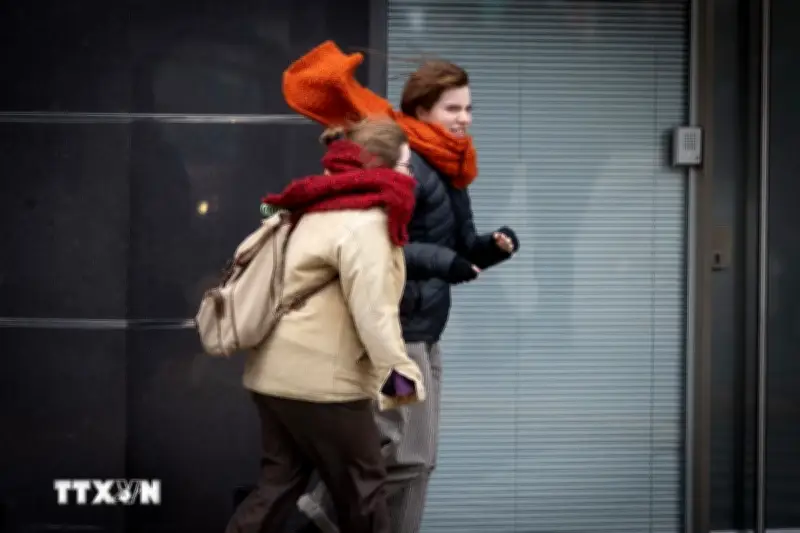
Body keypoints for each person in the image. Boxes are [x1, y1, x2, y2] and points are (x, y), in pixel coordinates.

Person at [282, 42, 520, 533]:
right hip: (397, 336)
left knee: (420, 461)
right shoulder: (401, 163)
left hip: (426, 336)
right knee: (404, 453)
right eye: (453, 109)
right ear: (421, 110)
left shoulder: (452, 171)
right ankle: (317, 515)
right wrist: (447, 262)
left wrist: (492, 248)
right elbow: (378, 245)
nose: (465, 119)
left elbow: (460, 247)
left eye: (468, 108)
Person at [225, 118, 427, 533]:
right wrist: (401, 379)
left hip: (272, 377)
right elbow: (374, 313)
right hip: (326, 387)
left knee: (276, 487)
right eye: (406, 166)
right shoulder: (366, 223)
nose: (412, 177)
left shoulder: (309, 208)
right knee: (364, 494)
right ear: (381, 167)